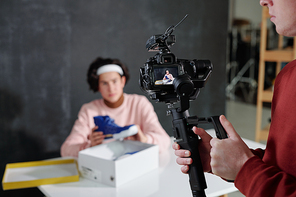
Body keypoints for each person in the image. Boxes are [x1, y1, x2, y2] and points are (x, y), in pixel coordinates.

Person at [173, 0, 296, 196]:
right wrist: (227, 161)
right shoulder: (288, 75)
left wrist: (244, 168)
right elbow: (284, 166)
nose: (263, 1)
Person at [61, 57, 170, 157]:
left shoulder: (139, 103)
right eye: (104, 83)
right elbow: (65, 150)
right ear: (98, 86)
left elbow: (165, 141)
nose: (111, 88)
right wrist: (90, 146)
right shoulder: (88, 110)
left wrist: (144, 140)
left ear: (122, 81)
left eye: (114, 81)